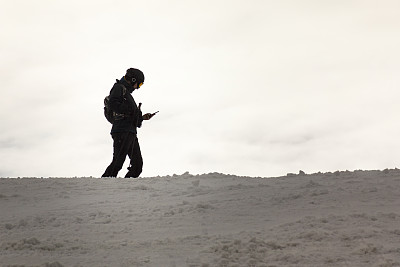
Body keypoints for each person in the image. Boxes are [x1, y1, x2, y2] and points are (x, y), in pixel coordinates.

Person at [102, 68, 156, 178]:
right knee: (118, 162)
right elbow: (113, 104)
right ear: (133, 79)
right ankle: (104, 185)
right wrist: (131, 111)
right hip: (122, 130)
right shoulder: (118, 88)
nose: (138, 87)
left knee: (137, 165)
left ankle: (126, 188)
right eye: (139, 84)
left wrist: (142, 117)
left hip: (130, 131)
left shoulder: (127, 93)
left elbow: (128, 114)